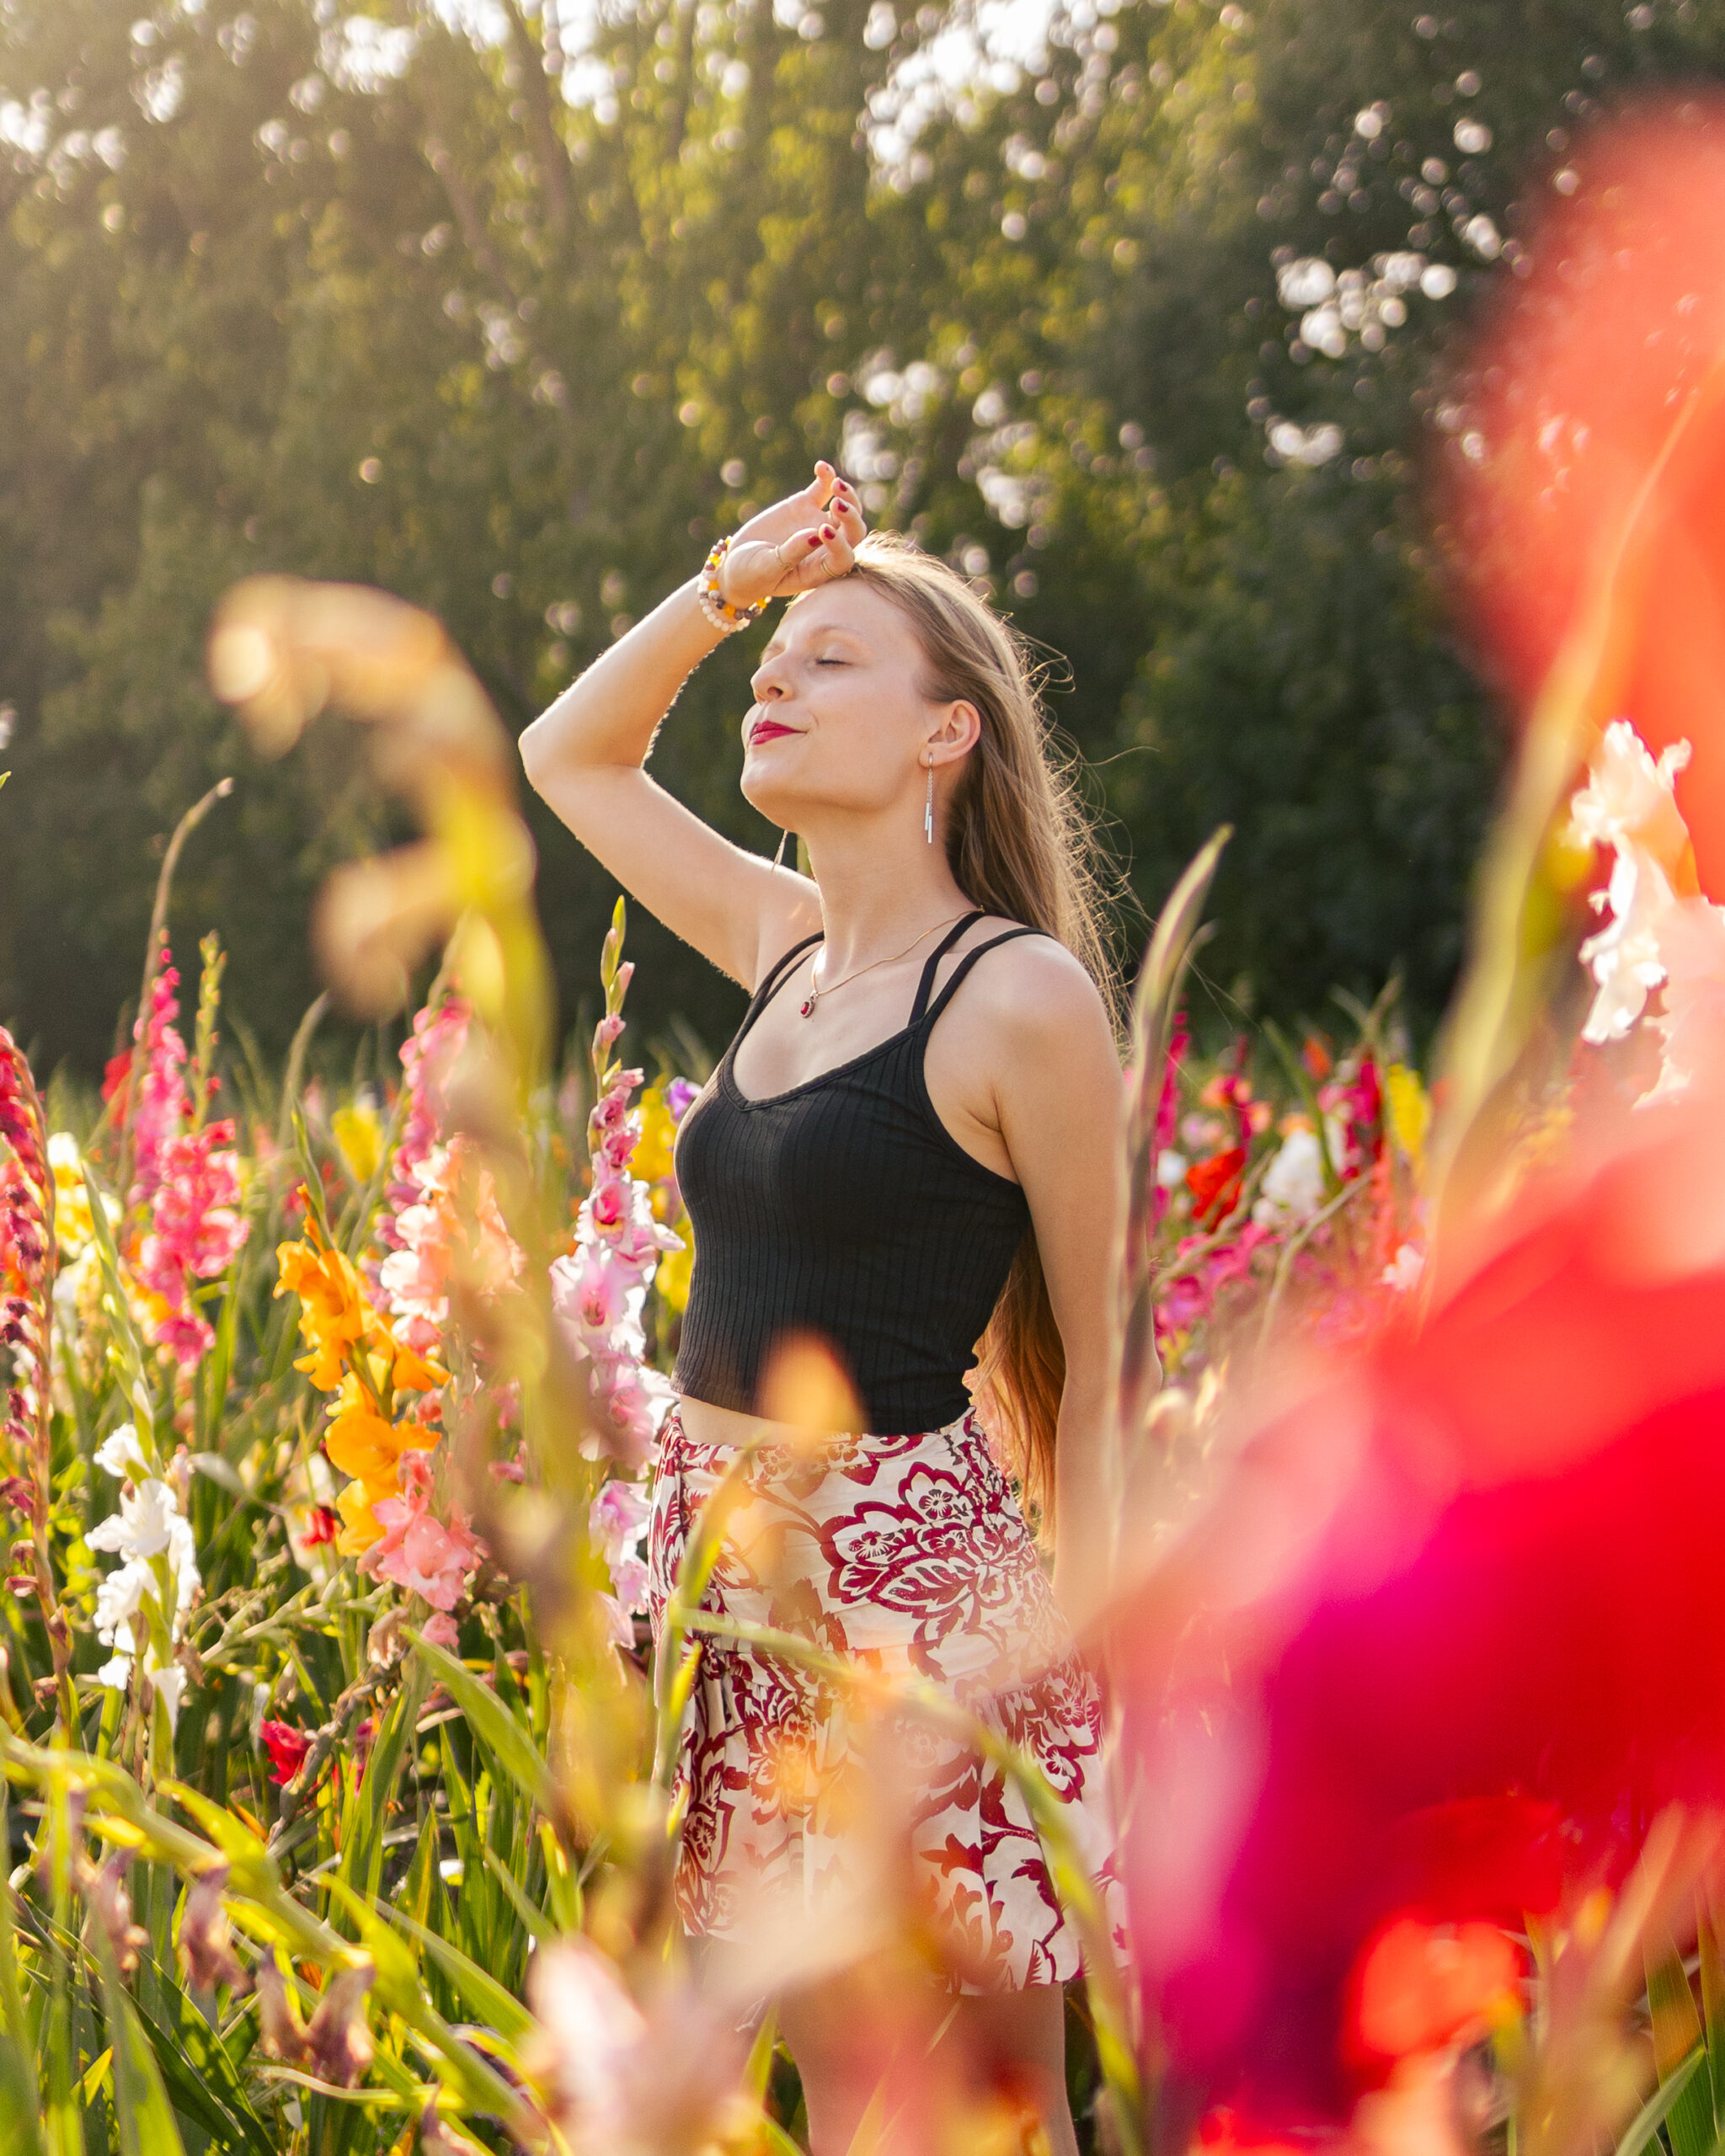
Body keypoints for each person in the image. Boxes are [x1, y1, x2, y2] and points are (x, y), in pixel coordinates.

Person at [520, 462, 1128, 2154]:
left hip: (917, 1605)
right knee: (837, 2097)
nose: (773, 681)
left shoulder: (1016, 995)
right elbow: (568, 755)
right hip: (722, 1587)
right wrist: (732, 584)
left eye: (830, 658)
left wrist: (1091, 1690)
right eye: (771, 663)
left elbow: (1100, 1367)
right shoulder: (782, 945)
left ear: (948, 733)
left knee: (989, 2107)